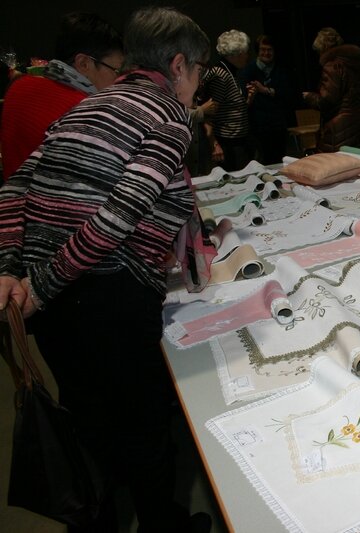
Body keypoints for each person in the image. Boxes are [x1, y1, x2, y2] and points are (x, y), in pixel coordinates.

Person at [0, 7, 211, 532]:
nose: (197, 84)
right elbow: (121, 213)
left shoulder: (89, 105)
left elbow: (13, 186)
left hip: (59, 304)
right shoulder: (168, 115)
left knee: (91, 427)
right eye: (199, 70)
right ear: (179, 65)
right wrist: (41, 286)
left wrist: (9, 268)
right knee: (144, 427)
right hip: (106, 296)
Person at [0, 12, 123, 180]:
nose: (119, 79)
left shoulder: (18, 86)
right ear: (84, 63)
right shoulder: (86, 111)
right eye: (116, 70)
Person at [302, 27, 360, 152]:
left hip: (340, 127)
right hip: (358, 121)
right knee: (357, 161)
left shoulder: (332, 66)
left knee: (337, 162)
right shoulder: (351, 63)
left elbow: (327, 100)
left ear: (322, 48)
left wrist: (309, 97)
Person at [202, 29, 254, 171]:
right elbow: (209, 112)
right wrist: (214, 144)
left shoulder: (232, 72)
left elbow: (232, 108)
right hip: (227, 144)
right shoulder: (220, 74)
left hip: (239, 141)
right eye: (244, 52)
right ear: (235, 54)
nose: (247, 56)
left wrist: (249, 98)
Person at [240, 34, 297, 164]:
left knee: (279, 161)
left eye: (269, 50)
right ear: (257, 51)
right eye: (263, 49)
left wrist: (265, 90)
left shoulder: (282, 70)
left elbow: (289, 93)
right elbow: (243, 96)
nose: (266, 53)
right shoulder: (248, 70)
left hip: (278, 125)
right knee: (260, 162)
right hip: (257, 126)